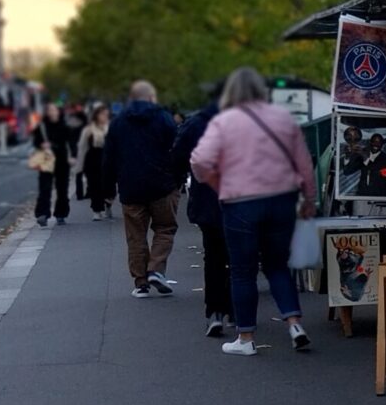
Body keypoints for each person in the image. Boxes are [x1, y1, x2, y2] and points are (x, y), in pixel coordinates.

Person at [189, 66, 315, 355]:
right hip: (282, 199)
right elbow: (304, 164)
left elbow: (199, 161)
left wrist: (219, 183)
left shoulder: (224, 122)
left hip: (240, 203)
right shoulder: (283, 119)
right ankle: (295, 324)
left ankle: (245, 339)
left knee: (242, 271)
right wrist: (309, 199)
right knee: (277, 265)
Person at [101, 81, 182, 296]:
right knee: (165, 228)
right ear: (151, 97)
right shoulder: (164, 118)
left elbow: (109, 158)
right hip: (162, 185)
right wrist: (178, 179)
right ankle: (155, 269)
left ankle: (140, 282)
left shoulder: (118, 123)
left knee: (136, 236)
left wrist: (108, 189)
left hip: (130, 188)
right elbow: (176, 149)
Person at [172, 87, 233, 339]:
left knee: (214, 256)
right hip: (239, 197)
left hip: (208, 199)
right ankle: (237, 310)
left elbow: (177, 157)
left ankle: (214, 312)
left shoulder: (195, 123)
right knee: (239, 258)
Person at [29, 102, 75, 227]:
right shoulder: (42, 127)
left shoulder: (65, 127)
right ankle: (42, 214)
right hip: (46, 159)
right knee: (45, 187)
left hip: (62, 160)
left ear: (59, 112)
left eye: (54, 110)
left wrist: (72, 156)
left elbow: (71, 143)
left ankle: (61, 214)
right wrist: (41, 145)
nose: (52, 112)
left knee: (62, 188)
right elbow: (36, 142)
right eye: (50, 110)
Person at [78, 103, 113, 218]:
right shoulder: (88, 130)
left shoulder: (111, 128)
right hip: (92, 160)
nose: (105, 116)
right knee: (94, 186)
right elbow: (82, 147)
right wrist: (79, 165)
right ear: (96, 115)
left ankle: (108, 203)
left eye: (106, 114)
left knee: (109, 187)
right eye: (102, 114)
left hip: (108, 160)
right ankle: (96, 210)